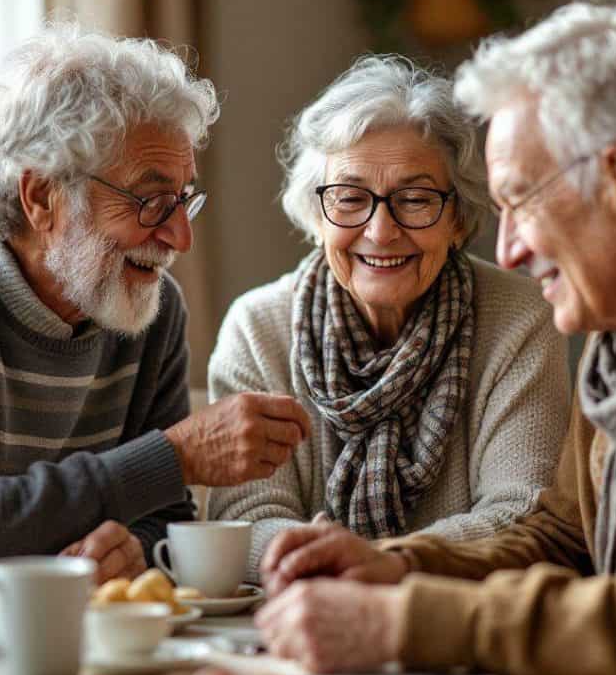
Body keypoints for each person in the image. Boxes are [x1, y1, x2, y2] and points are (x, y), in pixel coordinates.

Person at [254, 1, 616, 675]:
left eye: (520, 200)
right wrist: (401, 565)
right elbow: (562, 538)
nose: (508, 250)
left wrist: (412, 620)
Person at [0, 23, 310, 589]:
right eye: (151, 201)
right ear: (41, 197)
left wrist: (132, 548)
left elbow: (162, 520)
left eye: (183, 201)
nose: (180, 236)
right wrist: (169, 459)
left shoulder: (148, 308)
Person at [207, 55, 570, 579]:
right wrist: (335, 566)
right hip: (291, 613)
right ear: (316, 215)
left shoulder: (520, 319)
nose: (380, 231)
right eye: (351, 198)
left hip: (455, 625)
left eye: (415, 199)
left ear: (459, 219)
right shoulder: (258, 327)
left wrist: (381, 562)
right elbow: (243, 521)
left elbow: (524, 514)